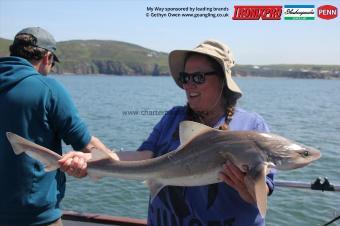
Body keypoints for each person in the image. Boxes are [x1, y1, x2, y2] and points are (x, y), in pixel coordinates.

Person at [61, 39, 275, 226]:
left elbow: (263, 190)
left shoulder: (251, 126)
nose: (188, 85)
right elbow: (145, 155)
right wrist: (93, 160)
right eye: (185, 77)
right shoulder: (173, 117)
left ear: (222, 81)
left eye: (198, 77)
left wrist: (250, 193)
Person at [0, 27, 108, 226]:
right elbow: (86, 145)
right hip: (35, 219)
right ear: (47, 58)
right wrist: (114, 159)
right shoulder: (48, 90)